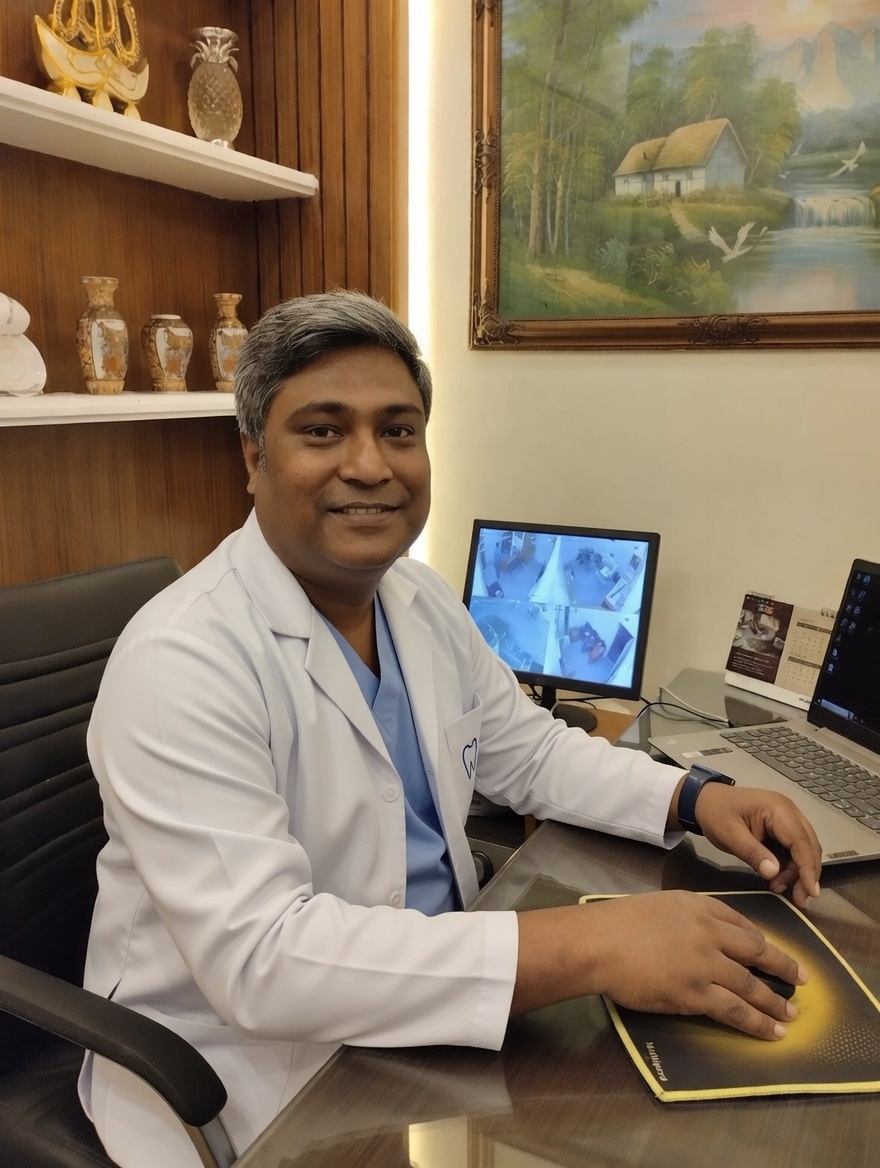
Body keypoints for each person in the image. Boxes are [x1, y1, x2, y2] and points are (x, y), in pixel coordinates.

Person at [79, 290, 822, 1167]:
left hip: (434, 1017)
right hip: (250, 1070)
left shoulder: (416, 596)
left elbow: (528, 749)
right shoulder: (183, 658)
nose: (370, 465)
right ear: (253, 457)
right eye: (322, 431)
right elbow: (264, 961)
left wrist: (695, 798)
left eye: (398, 430)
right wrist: (592, 944)